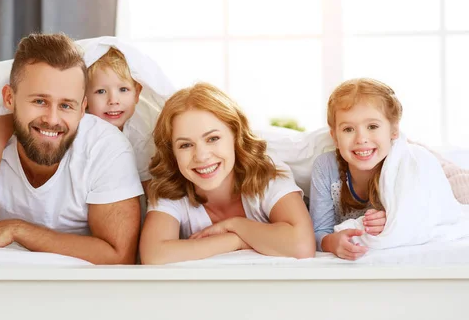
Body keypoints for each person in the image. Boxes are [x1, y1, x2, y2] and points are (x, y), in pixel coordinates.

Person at [0, 33, 143, 265]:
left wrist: (18, 230)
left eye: (66, 105)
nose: (52, 119)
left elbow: (119, 257)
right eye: (39, 101)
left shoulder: (105, 147)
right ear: (9, 98)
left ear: (82, 108)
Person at [138, 83, 315, 264]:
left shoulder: (267, 174)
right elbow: (154, 255)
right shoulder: (171, 187)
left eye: (213, 139)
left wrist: (236, 225)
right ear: (172, 153)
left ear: (236, 136)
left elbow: (302, 245)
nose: (201, 156)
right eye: (185, 145)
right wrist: (236, 240)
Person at [0, 37, 173, 195]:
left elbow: (147, 186)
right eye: (101, 92)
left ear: (137, 93)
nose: (114, 100)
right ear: (83, 99)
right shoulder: (71, 116)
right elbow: (14, 116)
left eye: (123, 90)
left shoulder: (141, 137)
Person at [309, 78, 398, 260]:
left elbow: (419, 215)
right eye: (348, 129)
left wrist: (392, 221)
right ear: (334, 136)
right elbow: (318, 231)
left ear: (393, 130)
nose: (361, 138)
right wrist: (330, 242)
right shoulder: (326, 167)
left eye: (372, 126)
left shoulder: (401, 165)